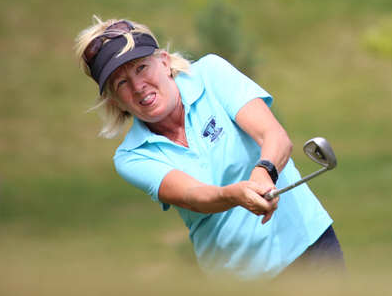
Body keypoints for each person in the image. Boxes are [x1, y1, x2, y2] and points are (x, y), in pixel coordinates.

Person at [74, 17, 344, 279]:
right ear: (115, 101)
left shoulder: (210, 74)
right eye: (121, 83)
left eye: (141, 68)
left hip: (311, 249)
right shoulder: (131, 157)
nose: (137, 86)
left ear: (164, 62)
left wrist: (264, 172)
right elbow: (194, 195)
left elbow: (274, 136)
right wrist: (235, 194)